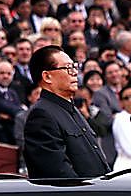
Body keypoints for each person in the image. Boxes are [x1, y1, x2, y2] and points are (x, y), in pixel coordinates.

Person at [23, 45, 111, 178]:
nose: (75, 72)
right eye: (68, 68)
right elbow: (58, 173)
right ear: (47, 77)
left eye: (74, 67)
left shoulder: (73, 109)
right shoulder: (42, 115)